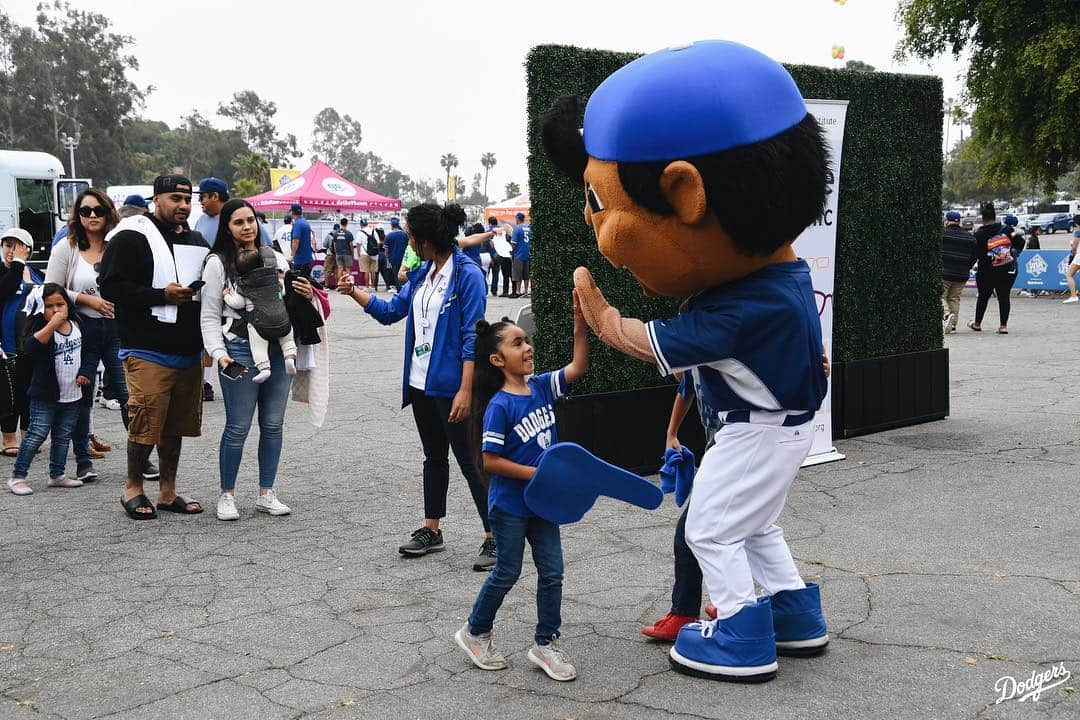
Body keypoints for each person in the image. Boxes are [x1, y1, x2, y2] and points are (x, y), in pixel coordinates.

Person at [337, 203, 494, 569]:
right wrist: (354, 293)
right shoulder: (424, 273)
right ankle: (432, 529)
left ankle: (495, 534)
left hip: (453, 385)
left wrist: (466, 390)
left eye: (412, 237)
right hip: (420, 382)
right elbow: (392, 311)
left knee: (471, 461)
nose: (409, 242)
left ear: (427, 240)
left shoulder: (467, 275)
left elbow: (474, 335)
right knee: (434, 457)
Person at [453, 306, 588, 681]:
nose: (527, 347)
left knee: (553, 572)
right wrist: (539, 472)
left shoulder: (542, 385)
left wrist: (580, 327)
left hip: (543, 504)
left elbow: (577, 368)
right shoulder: (500, 405)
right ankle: (475, 632)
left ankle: (546, 644)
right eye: (517, 343)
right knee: (507, 571)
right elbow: (490, 460)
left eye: (526, 340)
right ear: (497, 360)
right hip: (511, 506)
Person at [99, 174, 208, 520]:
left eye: (188, 199)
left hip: (188, 349)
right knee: (145, 422)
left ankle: (167, 491)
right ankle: (133, 487)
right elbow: (111, 288)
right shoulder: (131, 236)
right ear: (156, 199)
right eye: (175, 198)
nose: (184, 206)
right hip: (146, 347)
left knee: (175, 426)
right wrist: (162, 296)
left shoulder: (195, 239)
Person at [202, 198, 314, 521]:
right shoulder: (217, 264)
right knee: (237, 426)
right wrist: (218, 355)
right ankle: (227, 495)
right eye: (238, 222)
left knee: (273, 424)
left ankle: (267, 492)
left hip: (279, 348)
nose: (247, 227)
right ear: (227, 227)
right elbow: (209, 316)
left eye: (250, 220)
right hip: (237, 349)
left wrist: (305, 293)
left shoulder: (275, 256)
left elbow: (287, 299)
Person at [44, 188, 132, 484]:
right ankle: (82, 460)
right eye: (85, 211)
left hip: (118, 329)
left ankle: (140, 459)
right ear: (77, 216)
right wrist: (86, 299)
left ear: (109, 213)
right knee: (82, 396)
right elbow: (49, 290)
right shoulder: (66, 247)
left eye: (98, 210)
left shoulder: (119, 245)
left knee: (127, 395)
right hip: (82, 328)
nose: (92, 216)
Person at [6, 284, 89, 495]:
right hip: (46, 395)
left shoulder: (77, 325)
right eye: (49, 306)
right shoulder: (42, 329)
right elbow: (30, 347)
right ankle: (18, 476)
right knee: (37, 434)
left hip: (72, 393)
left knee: (62, 436)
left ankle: (57, 474)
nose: (56, 310)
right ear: (41, 308)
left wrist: (86, 372)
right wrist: (52, 324)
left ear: (68, 305)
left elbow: (88, 352)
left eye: (60, 304)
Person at [0, 228, 43, 456]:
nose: (11, 251)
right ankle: (8, 438)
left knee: (30, 391)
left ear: (28, 250)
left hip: (30, 343)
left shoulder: (35, 273)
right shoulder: (4, 272)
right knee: (8, 394)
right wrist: (16, 264)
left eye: (17, 246)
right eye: (7, 245)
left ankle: (28, 434)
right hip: (4, 345)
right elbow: (5, 289)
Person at [969, 203, 1017, 333]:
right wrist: (1012, 254)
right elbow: (1020, 242)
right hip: (1006, 269)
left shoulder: (979, 234)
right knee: (1004, 297)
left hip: (986, 270)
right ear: (995, 217)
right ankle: (1003, 326)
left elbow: (974, 254)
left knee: (983, 297)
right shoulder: (1007, 230)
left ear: (983, 218)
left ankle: (977, 323)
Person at [941, 210, 977, 334]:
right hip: (962, 273)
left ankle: (946, 315)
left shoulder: (942, 234)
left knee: (939, 296)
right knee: (954, 298)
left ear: (947, 221)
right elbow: (975, 255)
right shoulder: (969, 237)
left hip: (944, 271)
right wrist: (967, 266)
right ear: (960, 222)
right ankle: (953, 326)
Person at [195, 177, 228, 243]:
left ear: (215, 196)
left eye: (202, 197)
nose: (199, 201)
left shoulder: (234, 221)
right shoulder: (201, 219)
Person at [383, 216, 408, 290]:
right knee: (404, 275)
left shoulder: (388, 236)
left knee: (396, 276)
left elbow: (386, 250)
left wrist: (387, 259)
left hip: (393, 259)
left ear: (391, 225)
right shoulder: (405, 234)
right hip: (404, 258)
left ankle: (399, 290)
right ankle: (406, 290)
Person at [510, 212, 532, 298]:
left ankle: (518, 291)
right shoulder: (529, 228)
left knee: (518, 274)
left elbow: (514, 243)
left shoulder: (517, 229)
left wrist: (511, 251)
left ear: (518, 218)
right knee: (526, 274)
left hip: (518, 254)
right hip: (528, 253)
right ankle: (526, 291)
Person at [290, 203, 315, 272]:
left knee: (298, 281)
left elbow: (296, 241)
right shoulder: (305, 222)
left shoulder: (297, 224)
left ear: (292, 212)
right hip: (307, 258)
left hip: (299, 259)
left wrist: (292, 255)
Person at [335, 218, 356, 286]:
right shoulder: (348, 233)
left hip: (338, 253)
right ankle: (348, 285)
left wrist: (336, 252)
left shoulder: (336, 233)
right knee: (348, 269)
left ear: (340, 223)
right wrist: (353, 254)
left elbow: (334, 244)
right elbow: (351, 245)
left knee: (340, 269)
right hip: (347, 253)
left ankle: (339, 285)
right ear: (346, 224)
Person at [1065, 218, 1080, 304]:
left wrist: (1072, 254)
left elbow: (1074, 247)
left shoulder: (1078, 232)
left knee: (1069, 275)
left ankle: (1073, 296)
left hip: (1079, 256)